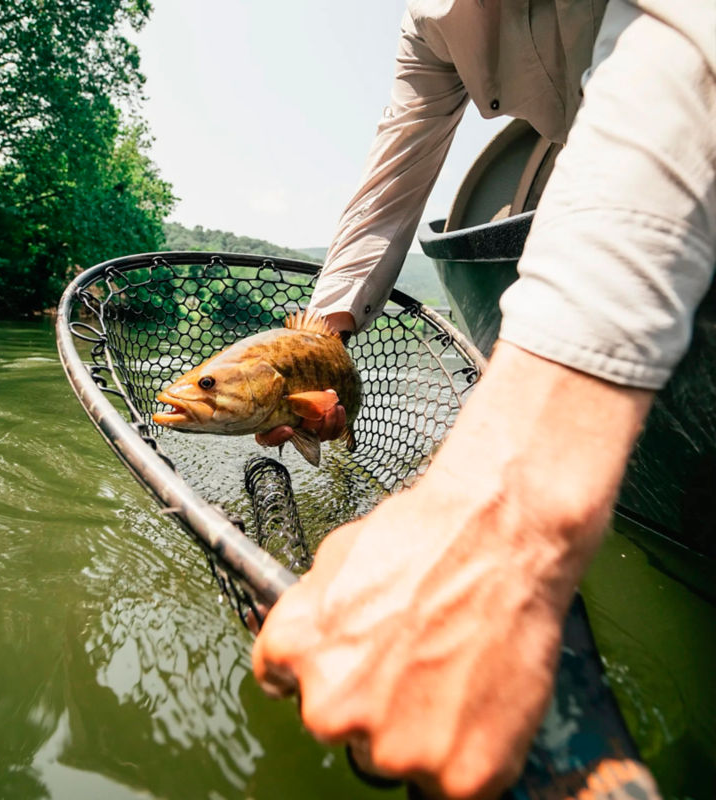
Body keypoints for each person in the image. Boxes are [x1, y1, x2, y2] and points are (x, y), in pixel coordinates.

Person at [253, 1, 716, 797]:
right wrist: (314, 348)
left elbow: (680, 41)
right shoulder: (430, 25)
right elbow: (390, 184)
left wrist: (507, 512)